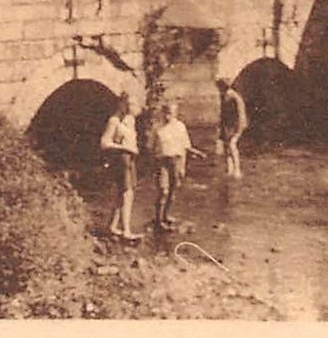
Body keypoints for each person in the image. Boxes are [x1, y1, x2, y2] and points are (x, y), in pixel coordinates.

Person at [150, 101, 206, 231]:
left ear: (175, 114)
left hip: (177, 160)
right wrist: (152, 166)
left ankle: (166, 215)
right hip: (162, 161)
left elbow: (186, 146)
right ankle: (158, 220)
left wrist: (197, 154)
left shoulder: (180, 127)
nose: (168, 116)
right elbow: (150, 148)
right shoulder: (157, 127)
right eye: (166, 113)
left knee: (173, 190)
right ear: (162, 113)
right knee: (163, 190)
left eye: (171, 113)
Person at [99, 94, 141, 242]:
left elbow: (131, 139)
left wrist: (132, 149)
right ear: (121, 104)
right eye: (129, 104)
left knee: (122, 194)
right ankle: (126, 231)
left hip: (129, 159)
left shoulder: (130, 120)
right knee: (127, 194)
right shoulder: (114, 121)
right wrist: (124, 147)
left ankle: (112, 226)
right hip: (120, 159)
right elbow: (104, 143)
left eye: (133, 105)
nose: (132, 108)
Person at [216, 77, 248, 180]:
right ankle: (230, 169)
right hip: (227, 125)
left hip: (236, 124)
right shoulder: (223, 96)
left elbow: (241, 113)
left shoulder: (235, 97)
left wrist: (240, 128)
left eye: (220, 87)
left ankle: (237, 169)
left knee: (232, 144)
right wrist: (220, 128)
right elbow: (222, 113)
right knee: (227, 147)